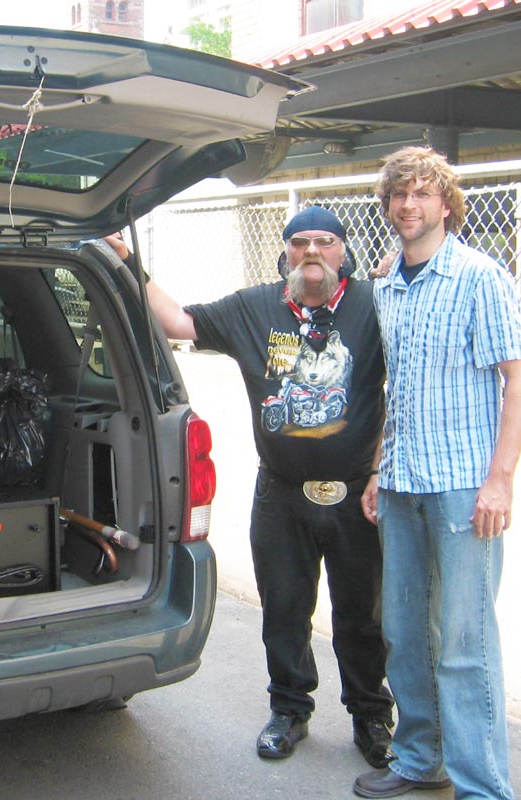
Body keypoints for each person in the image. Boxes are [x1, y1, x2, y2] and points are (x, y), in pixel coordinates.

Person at [106, 207, 395, 768]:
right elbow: (176, 322)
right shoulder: (255, 307)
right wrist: (125, 259)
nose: (313, 251)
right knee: (284, 606)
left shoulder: (374, 304)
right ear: (285, 251)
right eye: (301, 242)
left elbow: (408, 380)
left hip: (358, 492)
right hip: (281, 493)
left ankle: (371, 717)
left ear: (344, 251)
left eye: (325, 241)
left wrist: (383, 471)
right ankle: (289, 710)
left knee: (363, 614)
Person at [356, 146, 521, 800]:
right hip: (402, 485)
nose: (408, 205)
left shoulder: (479, 277)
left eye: (422, 193)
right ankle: (418, 759)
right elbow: (393, 386)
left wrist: (501, 479)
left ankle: (483, 786)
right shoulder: (389, 285)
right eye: (398, 194)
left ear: (445, 202)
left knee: (464, 645)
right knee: (405, 635)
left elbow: (518, 378)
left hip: (465, 487)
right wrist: (378, 467)